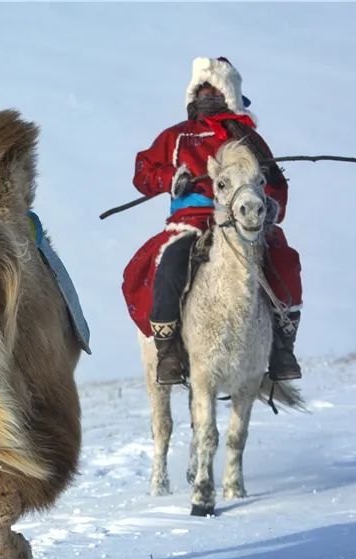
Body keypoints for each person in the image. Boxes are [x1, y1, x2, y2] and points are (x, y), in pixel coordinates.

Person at [123, 56, 303, 385]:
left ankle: (282, 346)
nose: (207, 96)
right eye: (200, 90)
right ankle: (169, 350)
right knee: (170, 264)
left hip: (246, 224)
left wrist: (272, 206)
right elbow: (143, 171)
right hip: (192, 220)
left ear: (229, 94)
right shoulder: (176, 137)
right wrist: (169, 179)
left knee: (284, 261)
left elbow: (274, 183)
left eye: (215, 90)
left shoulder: (249, 140)